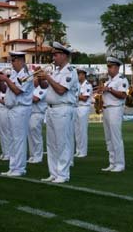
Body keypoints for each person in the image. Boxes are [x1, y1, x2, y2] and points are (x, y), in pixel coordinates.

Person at [39, 42, 78, 184]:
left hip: (63, 108)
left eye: (56, 54)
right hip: (50, 108)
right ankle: (54, 172)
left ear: (64, 55)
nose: (53, 57)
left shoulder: (70, 71)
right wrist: (40, 78)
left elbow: (61, 90)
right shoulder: (55, 71)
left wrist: (48, 78)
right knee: (51, 143)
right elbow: (45, 87)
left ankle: (63, 173)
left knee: (62, 143)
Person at [0, 51, 34, 177]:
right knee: (13, 139)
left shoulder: (27, 74)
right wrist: (1, 81)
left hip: (21, 108)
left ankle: (19, 168)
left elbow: (18, 91)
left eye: (13, 60)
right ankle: (13, 167)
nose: (11, 63)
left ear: (20, 61)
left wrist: (6, 80)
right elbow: (6, 90)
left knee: (18, 139)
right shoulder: (14, 74)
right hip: (12, 108)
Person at [100, 57, 129, 173]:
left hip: (115, 109)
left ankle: (120, 163)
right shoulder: (109, 80)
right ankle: (112, 162)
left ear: (117, 67)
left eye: (110, 67)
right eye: (108, 66)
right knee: (109, 138)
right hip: (107, 109)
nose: (109, 69)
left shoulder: (121, 79)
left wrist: (109, 89)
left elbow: (123, 95)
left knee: (116, 137)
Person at [28, 75, 48, 163]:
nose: (34, 80)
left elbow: (36, 99)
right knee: (30, 136)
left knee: (36, 136)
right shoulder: (34, 89)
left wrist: (25, 96)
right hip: (31, 113)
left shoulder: (42, 89)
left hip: (37, 113)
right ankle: (32, 155)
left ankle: (38, 156)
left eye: (35, 78)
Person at [74, 68, 93, 158]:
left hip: (83, 107)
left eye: (79, 74)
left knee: (82, 130)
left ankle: (83, 151)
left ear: (83, 75)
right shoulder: (77, 84)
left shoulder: (87, 85)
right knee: (77, 131)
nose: (78, 76)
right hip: (76, 107)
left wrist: (75, 95)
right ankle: (78, 150)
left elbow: (85, 98)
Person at [0, 82, 11, 161]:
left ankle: (8, 153)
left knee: (6, 133)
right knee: (1, 133)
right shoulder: (1, 92)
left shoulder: (7, 92)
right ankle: (4, 152)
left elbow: (7, 103)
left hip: (5, 111)